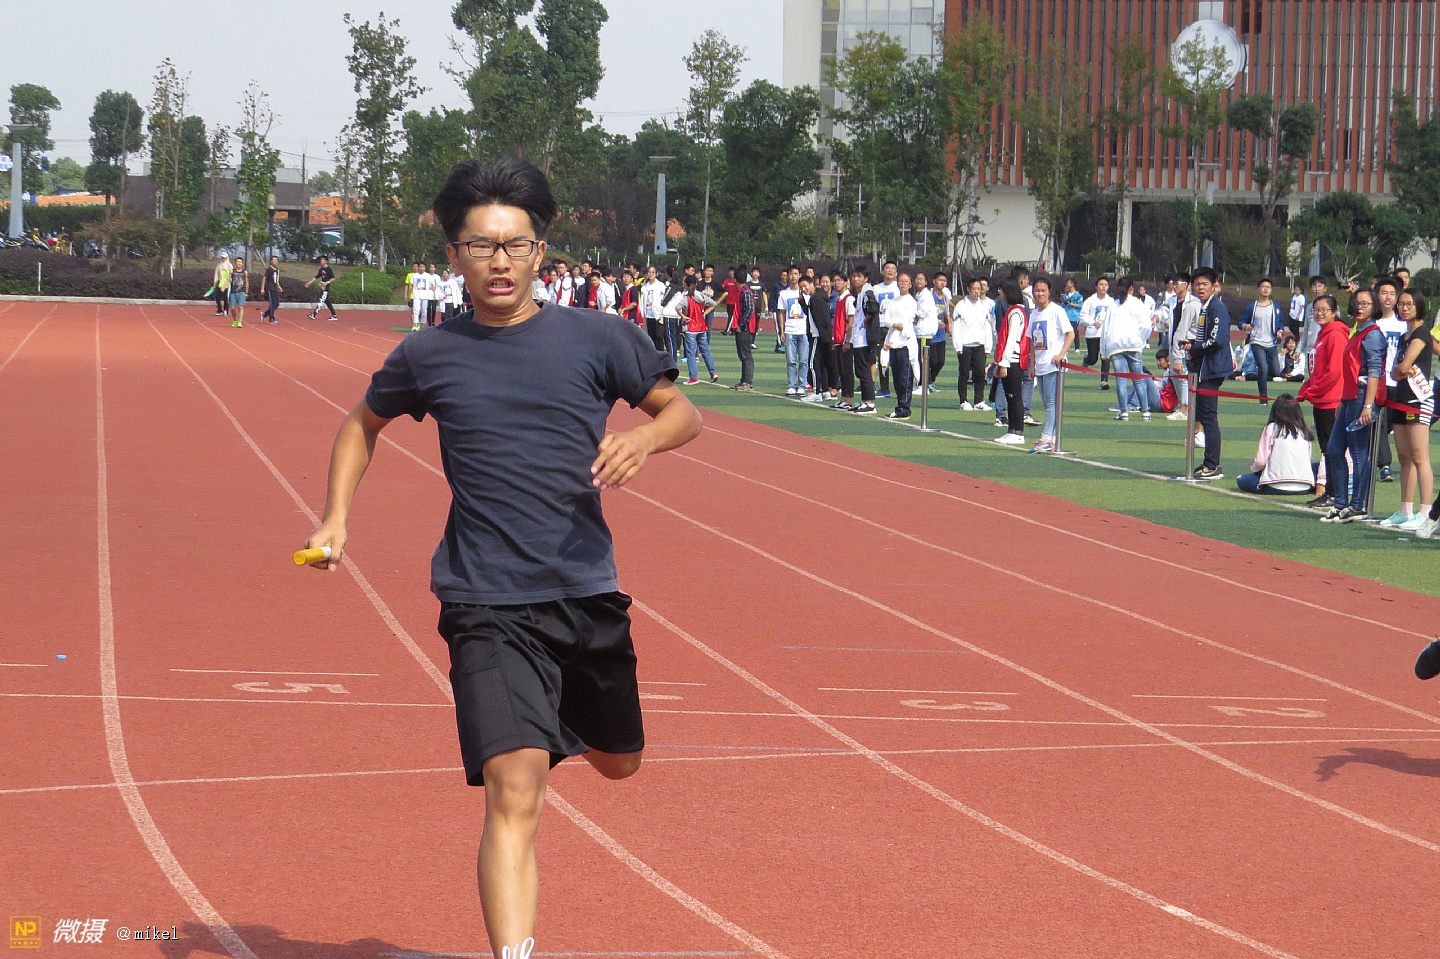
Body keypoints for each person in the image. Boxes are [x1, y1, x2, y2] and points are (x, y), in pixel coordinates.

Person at [301, 156, 701, 959]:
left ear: (540, 251)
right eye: (481, 245)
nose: (499, 261)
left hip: (584, 590)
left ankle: (561, 717)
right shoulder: (430, 353)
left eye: (515, 244)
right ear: (454, 254)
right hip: (484, 599)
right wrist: (336, 517)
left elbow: (682, 411)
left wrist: (644, 438)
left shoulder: (598, 338)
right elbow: (359, 425)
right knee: (514, 789)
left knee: (621, 762)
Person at [1321, 288, 1386, 523]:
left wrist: (1368, 405)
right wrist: (1342, 399)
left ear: (1374, 307)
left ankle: (1357, 505)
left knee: (1358, 452)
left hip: (1361, 397)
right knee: (1334, 449)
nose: (1359, 307)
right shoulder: (1358, 332)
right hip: (1350, 397)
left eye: (1365, 304)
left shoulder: (1373, 335)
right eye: (1357, 303)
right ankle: (1341, 503)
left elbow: (1374, 372)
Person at [1378, 289, 1435, 530]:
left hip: (1417, 400)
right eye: (1401, 304)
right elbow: (1394, 372)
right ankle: (1405, 510)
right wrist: (1400, 369)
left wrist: (1401, 369)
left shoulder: (1421, 333)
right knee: (1404, 457)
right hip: (1400, 399)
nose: (1404, 308)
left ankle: (1426, 512)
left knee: (1420, 457)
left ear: (1418, 306)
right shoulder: (1404, 335)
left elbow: (1404, 366)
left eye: (1409, 304)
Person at [1297, 295, 1345, 509]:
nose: (1319, 313)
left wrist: (1312, 391)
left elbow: (1334, 372)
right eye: (1316, 310)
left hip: (1331, 401)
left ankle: (1335, 493)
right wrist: (1307, 390)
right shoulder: (1322, 334)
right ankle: (1332, 492)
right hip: (1321, 400)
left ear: (1334, 312)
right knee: (1328, 449)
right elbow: (1317, 370)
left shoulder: (1335, 335)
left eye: (1324, 309)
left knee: (1333, 450)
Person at [1186, 267, 1232, 480]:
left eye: (1204, 284)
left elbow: (1217, 340)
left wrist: (1195, 348)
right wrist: (1192, 344)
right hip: (1206, 367)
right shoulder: (1206, 307)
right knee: (1204, 415)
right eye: (1197, 284)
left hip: (1212, 369)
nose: (1200, 287)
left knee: (1208, 417)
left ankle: (1212, 465)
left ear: (1214, 286)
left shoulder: (1216, 307)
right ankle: (1209, 463)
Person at [1027, 276, 1074, 453]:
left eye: (1043, 290)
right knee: (1048, 403)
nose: (1039, 294)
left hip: (1053, 365)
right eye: (1037, 291)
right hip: (1040, 364)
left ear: (1049, 292)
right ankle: (1052, 439)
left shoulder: (1057, 311)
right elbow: (1032, 342)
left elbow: (1070, 334)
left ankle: (1046, 438)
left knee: (1052, 403)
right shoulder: (1034, 314)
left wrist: (1061, 354)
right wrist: (1032, 365)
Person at [1235, 395, 1317, 495]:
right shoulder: (1304, 431)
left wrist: (1255, 471)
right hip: (1305, 486)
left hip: (1275, 485)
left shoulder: (1271, 428)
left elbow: (1260, 461)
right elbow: (1307, 459)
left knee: (1242, 478)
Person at [1101, 277, 1152, 421]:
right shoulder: (1138, 304)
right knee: (1138, 380)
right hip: (1134, 345)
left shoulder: (1113, 305)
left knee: (1121, 380)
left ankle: (1123, 412)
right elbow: (1146, 326)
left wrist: (1104, 352)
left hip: (1116, 346)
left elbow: (1105, 330)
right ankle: (1145, 412)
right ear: (1131, 288)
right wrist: (1140, 341)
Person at [1373, 275, 1407, 484]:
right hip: (1378, 382)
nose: (1387, 297)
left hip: (1399, 384)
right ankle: (1384, 465)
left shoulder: (1404, 325)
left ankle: (1378, 455)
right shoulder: (1372, 323)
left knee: (1390, 426)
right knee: (1380, 423)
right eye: (1383, 293)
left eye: (1392, 294)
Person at [993, 279, 1028, 446]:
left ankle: (1018, 432)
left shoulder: (1016, 313)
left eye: (1002, 290)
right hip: (1009, 359)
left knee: (1015, 397)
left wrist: (1004, 362)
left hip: (1013, 360)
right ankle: (1012, 430)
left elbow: (1011, 338)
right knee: (1010, 396)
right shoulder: (1013, 311)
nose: (1000, 293)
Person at [953, 276, 994, 411]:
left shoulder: (984, 306)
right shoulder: (961, 306)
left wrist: (987, 347)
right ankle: (963, 401)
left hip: (979, 345)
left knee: (980, 374)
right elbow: (956, 327)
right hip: (965, 345)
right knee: (964, 374)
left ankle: (979, 401)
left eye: (978, 289)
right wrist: (958, 346)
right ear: (968, 290)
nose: (977, 291)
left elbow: (987, 327)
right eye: (974, 289)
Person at [1239, 278, 1283, 400]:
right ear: (1259, 289)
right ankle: (1263, 397)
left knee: (1276, 371)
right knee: (1263, 368)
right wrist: (1246, 326)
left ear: (1271, 290)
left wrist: (1280, 331)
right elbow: (1241, 321)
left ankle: (1258, 378)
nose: (1265, 289)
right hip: (1257, 341)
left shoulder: (1275, 307)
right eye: (1263, 287)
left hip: (1272, 342)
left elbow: (1280, 322)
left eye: (1268, 287)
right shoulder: (1252, 307)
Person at [882, 273, 919, 420]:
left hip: (905, 342)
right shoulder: (893, 301)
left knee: (905, 377)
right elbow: (886, 320)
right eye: (901, 281)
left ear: (910, 284)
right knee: (896, 378)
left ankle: (904, 408)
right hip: (893, 343)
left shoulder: (911, 302)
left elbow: (904, 323)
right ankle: (900, 406)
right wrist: (893, 325)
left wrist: (893, 334)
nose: (903, 283)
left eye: (906, 281)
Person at [844, 266, 879, 414]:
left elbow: (873, 307)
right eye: (854, 276)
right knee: (861, 371)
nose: (855, 279)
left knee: (864, 371)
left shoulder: (867, 292)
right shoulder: (860, 293)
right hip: (859, 338)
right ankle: (865, 400)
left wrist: (867, 319)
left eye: (859, 276)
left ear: (866, 278)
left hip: (864, 338)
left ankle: (869, 402)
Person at [678, 275, 718, 385]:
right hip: (701, 327)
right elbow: (714, 304)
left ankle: (693, 377)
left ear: (686, 285)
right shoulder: (701, 295)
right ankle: (713, 372)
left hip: (691, 327)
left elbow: (677, 307)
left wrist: (683, 316)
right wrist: (704, 313)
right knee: (705, 350)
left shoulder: (686, 297)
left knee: (691, 353)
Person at [777, 269, 809, 396]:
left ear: (800, 275)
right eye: (791, 274)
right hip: (790, 330)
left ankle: (802, 385)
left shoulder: (806, 293)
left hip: (804, 330)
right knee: (790, 360)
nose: (793, 276)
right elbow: (781, 313)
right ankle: (792, 385)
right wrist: (782, 331)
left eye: (796, 274)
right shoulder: (784, 294)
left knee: (804, 360)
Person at [1080, 277, 1116, 389]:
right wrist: (1093, 322)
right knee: (1093, 359)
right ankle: (1087, 360)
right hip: (1093, 334)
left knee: (1105, 357)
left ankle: (1104, 381)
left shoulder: (1111, 301)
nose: (1103, 287)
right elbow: (1083, 316)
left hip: (1106, 334)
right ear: (1096, 287)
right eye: (1101, 284)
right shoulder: (1090, 301)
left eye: (1105, 285)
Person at [731, 270, 759, 391]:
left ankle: (747, 381)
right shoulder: (743, 291)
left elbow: (749, 310)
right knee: (743, 355)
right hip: (743, 328)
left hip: (745, 329)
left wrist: (740, 325)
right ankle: (744, 380)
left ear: (735, 280)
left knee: (746, 355)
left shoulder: (745, 292)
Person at [305, 256, 339, 321]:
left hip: (326, 288)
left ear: (326, 261)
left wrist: (326, 282)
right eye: (321, 259)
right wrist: (309, 283)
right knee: (327, 302)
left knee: (321, 300)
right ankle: (334, 315)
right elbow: (316, 277)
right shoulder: (321, 269)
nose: (321, 261)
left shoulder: (329, 269)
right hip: (323, 287)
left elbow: (333, 278)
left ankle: (314, 314)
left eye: (322, 259)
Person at [260, 255, 284, 324]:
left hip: (275, 288)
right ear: (271, 261)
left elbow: (276, 280)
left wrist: (279, 286)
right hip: (270, 288)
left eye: (276, 260)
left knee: (276, 304)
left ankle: (265, 314)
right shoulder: (269, 269)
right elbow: (264, 278)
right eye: (274, 260)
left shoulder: (276, 270)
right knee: (272, 304)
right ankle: (271, 318)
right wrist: (262, 288)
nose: (275, 261)